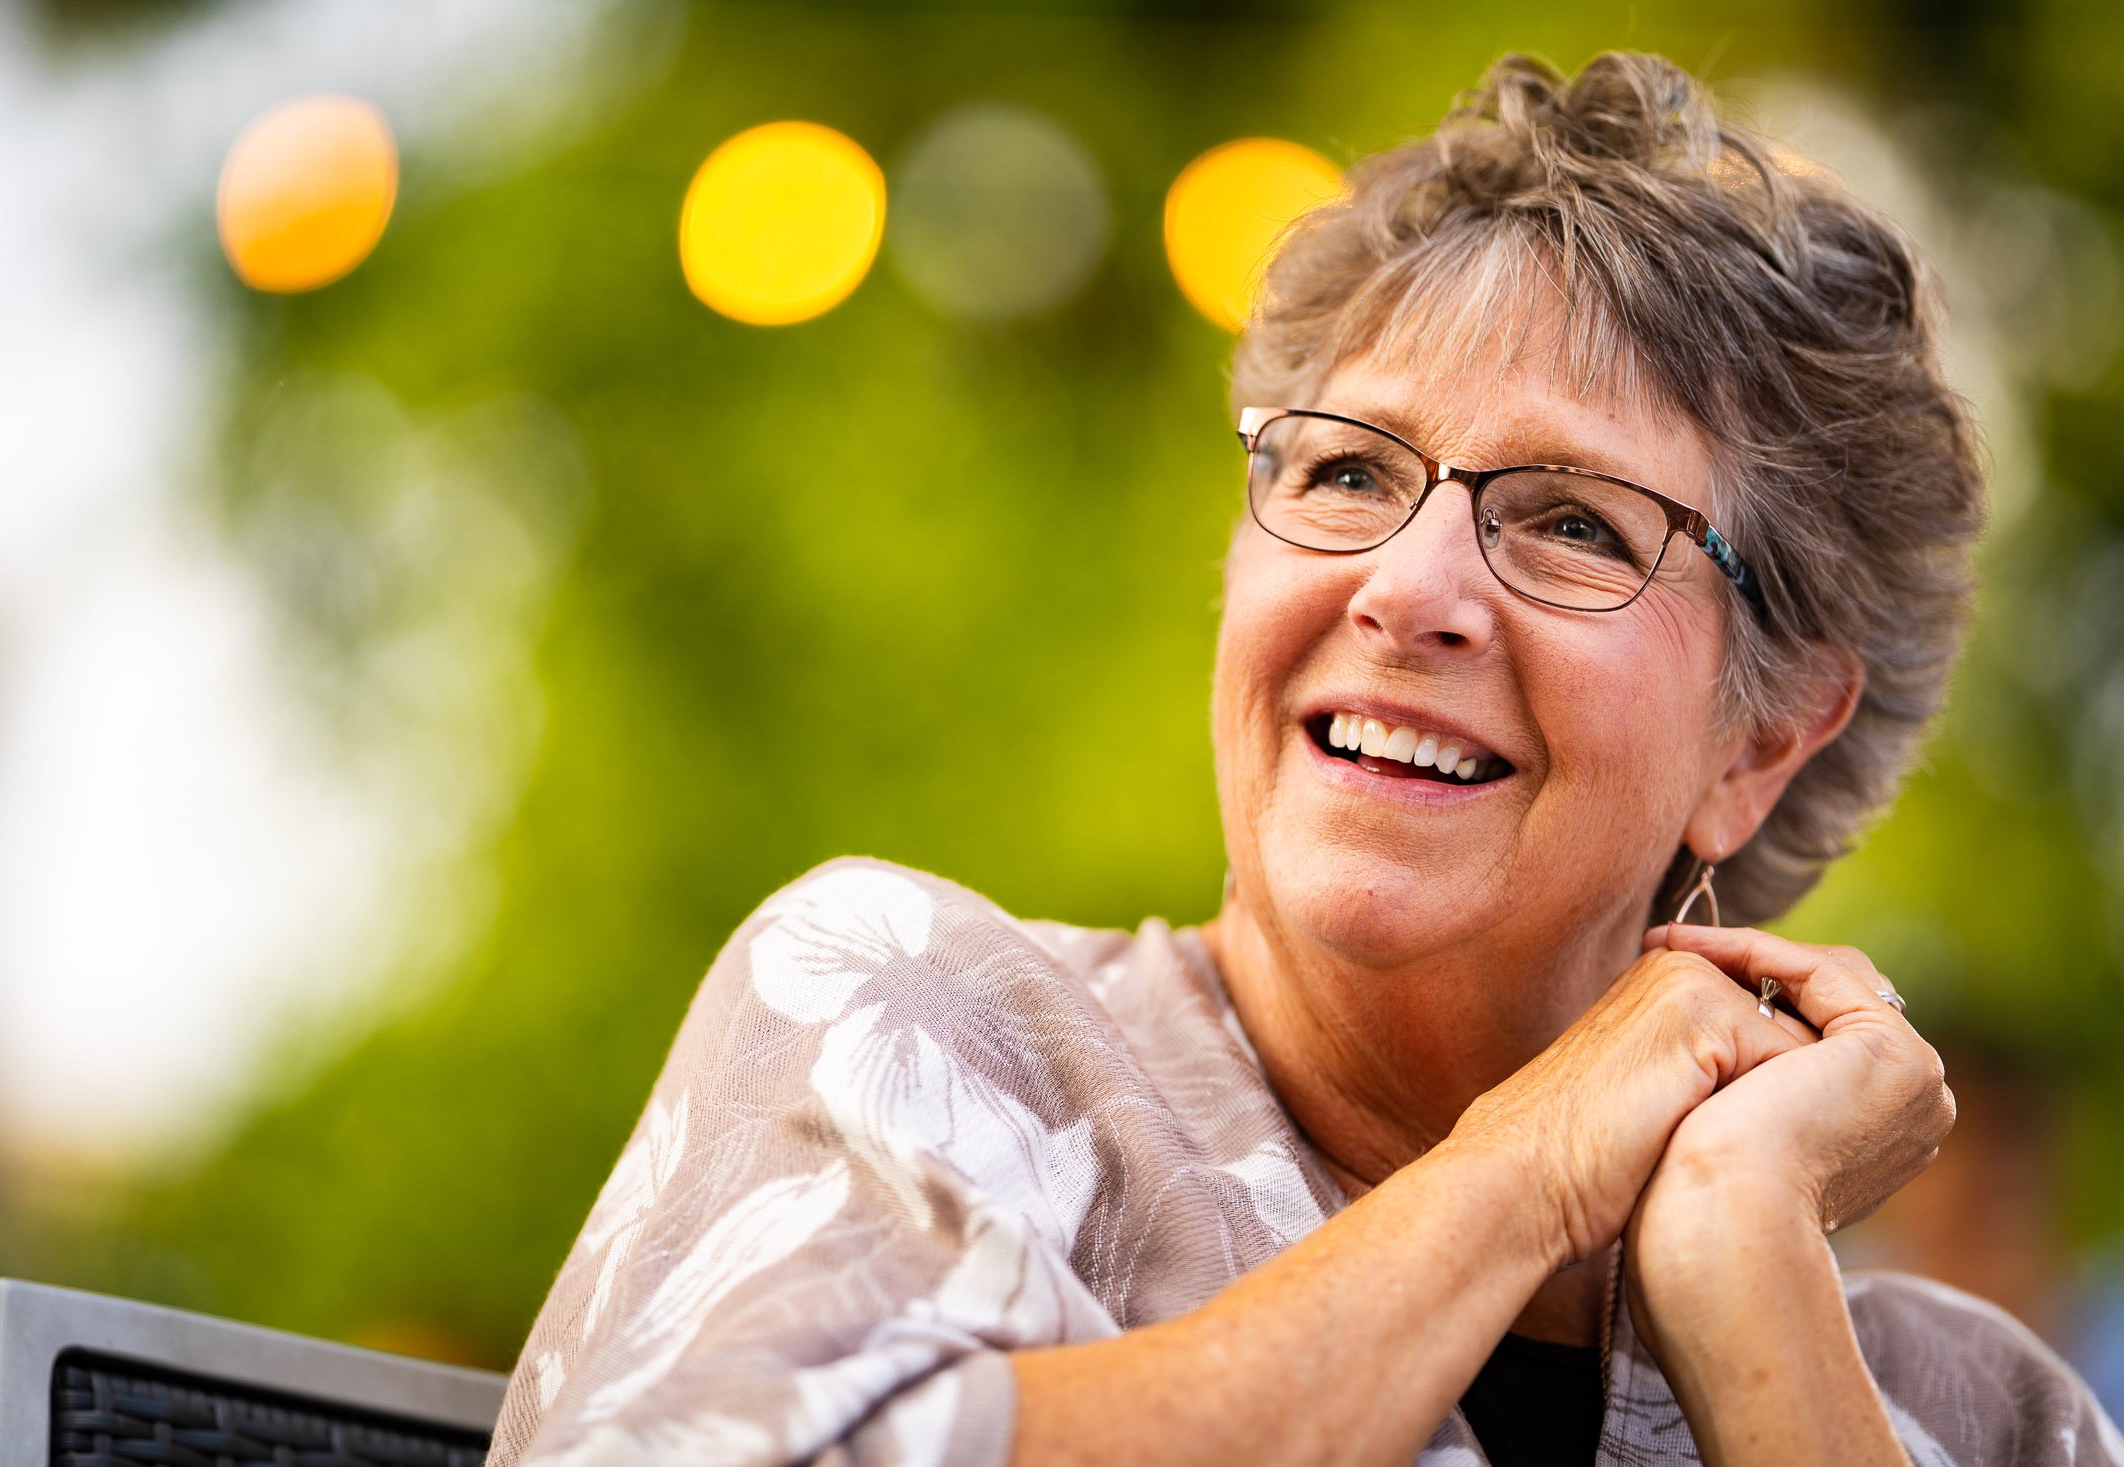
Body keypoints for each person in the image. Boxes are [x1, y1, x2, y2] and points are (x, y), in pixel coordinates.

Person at [483, 51, 2124, 1467]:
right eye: (1344, 474)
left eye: (1570, 521)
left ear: (1761, 740)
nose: (1407, 591)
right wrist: (1525, 1179)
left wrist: (1743, 1257)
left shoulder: (1975, 1414)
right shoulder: (924, 1031)